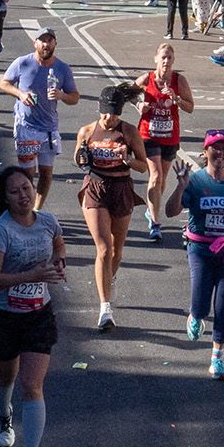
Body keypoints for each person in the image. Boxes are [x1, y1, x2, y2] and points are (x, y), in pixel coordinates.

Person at [0, 165, 65, 447]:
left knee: (32, 384)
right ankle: (4, 413)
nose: (22, 196)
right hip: (3, 315)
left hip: (39, 313)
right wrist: (30, 275)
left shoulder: (48, 221)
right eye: (14, 192)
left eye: (26, 188)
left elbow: (58, 241)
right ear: (5, 198)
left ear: (34, 188)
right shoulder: (1, 230)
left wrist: (60, 259)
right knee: (7, 376)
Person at [164, 129, 224, 380]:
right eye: (214, 148)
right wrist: (181, 187)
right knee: (200, 305)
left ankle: (217, 358)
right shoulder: (196, 180)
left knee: (223, 304)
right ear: (205, 151)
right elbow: (170, 212)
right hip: (200, 250)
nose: (220, 153)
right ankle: (195, 316)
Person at [74, 88, 148, 330]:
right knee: (104, 248)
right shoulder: (86, 131)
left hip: (121, 188)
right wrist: (82, 156)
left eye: (115, 115)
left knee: (116, 250)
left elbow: (142, 166)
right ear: (99, 109)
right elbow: (78, 159)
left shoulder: (129, 131)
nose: (111, 120)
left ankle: (109, 279)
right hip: (96, 186)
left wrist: (127, 158)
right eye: (107, 115)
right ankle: (105, 309)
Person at [0, 28, 82, 209]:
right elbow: (4, 83)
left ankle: (36, 209)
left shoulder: (62, 69)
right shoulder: (23, 63)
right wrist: (20, 94)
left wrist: (62, 95)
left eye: (50, 40)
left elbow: (75, 97)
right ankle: (25, 209)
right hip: (26, 127)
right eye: (42, 40)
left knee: (46, 173)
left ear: (55, 44)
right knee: (28, 175)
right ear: (35, 43)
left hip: (49, 128)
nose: (46, 44)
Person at [137, 42, 195, 241]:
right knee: (155, 176)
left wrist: (177, 99)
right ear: (156, 59)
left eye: (169, 58)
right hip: (148, 134)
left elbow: (190, 107)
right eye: (163, 57)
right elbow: (129, 93)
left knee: (161, 180)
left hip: (170, 136)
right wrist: (139, 104)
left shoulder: (180, 80)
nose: (166, 61)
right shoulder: (147, 79)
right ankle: (155, 222)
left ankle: (151, 209)